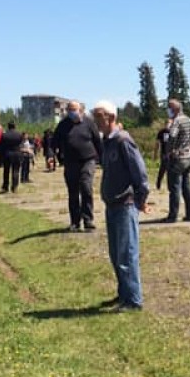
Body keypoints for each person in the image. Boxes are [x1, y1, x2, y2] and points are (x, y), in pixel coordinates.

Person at [93, 100, 150, 312]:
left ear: (111, 117)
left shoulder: (123, 140)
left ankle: (133, 300)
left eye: (99, 116)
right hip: (112, 204)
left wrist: (141, 199)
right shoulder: (107, 142)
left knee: (127, 254)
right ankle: (123, 293)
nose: (96, 121)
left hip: (125, 204)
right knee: (116, 254)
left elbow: (140, 173)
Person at [53, 100, 103, 231]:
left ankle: (88, 219)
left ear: (81, 111)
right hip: (70, 162)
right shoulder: (63, 125)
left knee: (86, 188)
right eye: (69, 110)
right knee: (73, 191)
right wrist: (53, 156)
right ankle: (75, 222)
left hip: (88, 160)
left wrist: (103, 159)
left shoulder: (89, 123)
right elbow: (54, 142)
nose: (71, 112)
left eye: (74, 109)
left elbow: (97, 141)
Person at [164, 98, 190, 222]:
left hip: (177, 158)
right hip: (188, 158)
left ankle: (173, 216)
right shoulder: (189, 120)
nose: (168, 110)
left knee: (174, 188)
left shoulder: (177, 121)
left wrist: (169, 151)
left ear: (175, 109)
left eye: (169, 107)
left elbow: (172, 136)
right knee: (187, 188)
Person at [0, 122, 24, 193]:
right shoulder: (19, 134)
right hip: (17, 154)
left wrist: (0, 155)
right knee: (16, 170)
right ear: (15, 126)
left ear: (8, 126)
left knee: (6, 171)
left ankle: (5, 187)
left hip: (7, 154)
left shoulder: (4, 135)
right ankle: (14, 187)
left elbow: (1, 145)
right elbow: (21, 144)